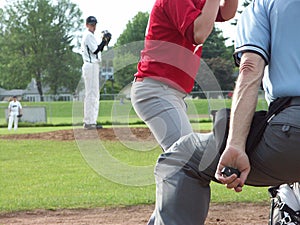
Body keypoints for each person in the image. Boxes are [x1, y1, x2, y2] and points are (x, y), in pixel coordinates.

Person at [148, 0, 300, 224]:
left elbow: (250, 69)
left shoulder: (264, 5)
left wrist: (236, 144)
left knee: (183, 156)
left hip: (291, 133)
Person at [130, 0, 238, 224]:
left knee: (181, 167)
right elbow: (198, 33)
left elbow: (227, 13)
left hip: (170, 94)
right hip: (155, 91)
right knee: (188, 163)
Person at [81, 16, 111, 130]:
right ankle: (89, 122)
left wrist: (104, 42)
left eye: (94, 24)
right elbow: (95, 50)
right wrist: (104, 41)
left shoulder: (90, 35)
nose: (93, 26)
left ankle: (90, 121)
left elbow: (98, 50)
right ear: (87, 24)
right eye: (91, 24)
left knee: (93, 94)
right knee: (92, 94)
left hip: (92, 65)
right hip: (90, 65)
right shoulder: (88, 35)